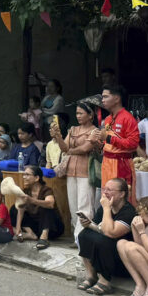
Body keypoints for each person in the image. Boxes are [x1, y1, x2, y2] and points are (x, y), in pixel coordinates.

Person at [51, 102, 102, 242]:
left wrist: (70, 150)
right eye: (77, 113)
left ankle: (83, 239)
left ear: (90, 115)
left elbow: (85, 149)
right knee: (73, 206)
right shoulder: (73, 129)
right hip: (71, 171)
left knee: (85, 205)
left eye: (81, 113)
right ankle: (77, 237)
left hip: (86, 171)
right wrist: (58, 137)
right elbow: (63, 148)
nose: (77, 116)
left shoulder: (95, 131)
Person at [76, 178, 136, 296]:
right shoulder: (104, 207)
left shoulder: (128, 211)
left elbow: (111, 233)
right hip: (107, 256)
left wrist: (107, 208)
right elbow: (99, 228)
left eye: (110, 190)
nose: (105, 193)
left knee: (103, 241)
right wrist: (88, 225)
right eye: (104, 189)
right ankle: (91, 275)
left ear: (122, 194)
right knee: (84, 235)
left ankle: (105, 281)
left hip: (122, 261)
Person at [9, 165, 63, 249]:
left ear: (37, 178)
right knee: (14, 208)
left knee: (45, 206)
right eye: (24, 174)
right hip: (37, 227)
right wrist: (18, 227)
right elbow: (21, 209)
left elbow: (50, 204)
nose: (24, 177)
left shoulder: (46, 190)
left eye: (27, 175)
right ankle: (30, 234)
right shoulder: (26, 191)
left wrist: (32, 200)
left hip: (53, 228)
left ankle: (44, 238)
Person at [100, 84, 139, 189]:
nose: (102, 100)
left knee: (120, 199)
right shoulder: (108, 119)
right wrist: (97, 142)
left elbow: (133, 144)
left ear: (117, 98)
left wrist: (108, 138)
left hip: (121, 164)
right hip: (107, 162)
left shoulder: (128, 118)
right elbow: (107, 143)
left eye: (105, 97)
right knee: (107, 196)